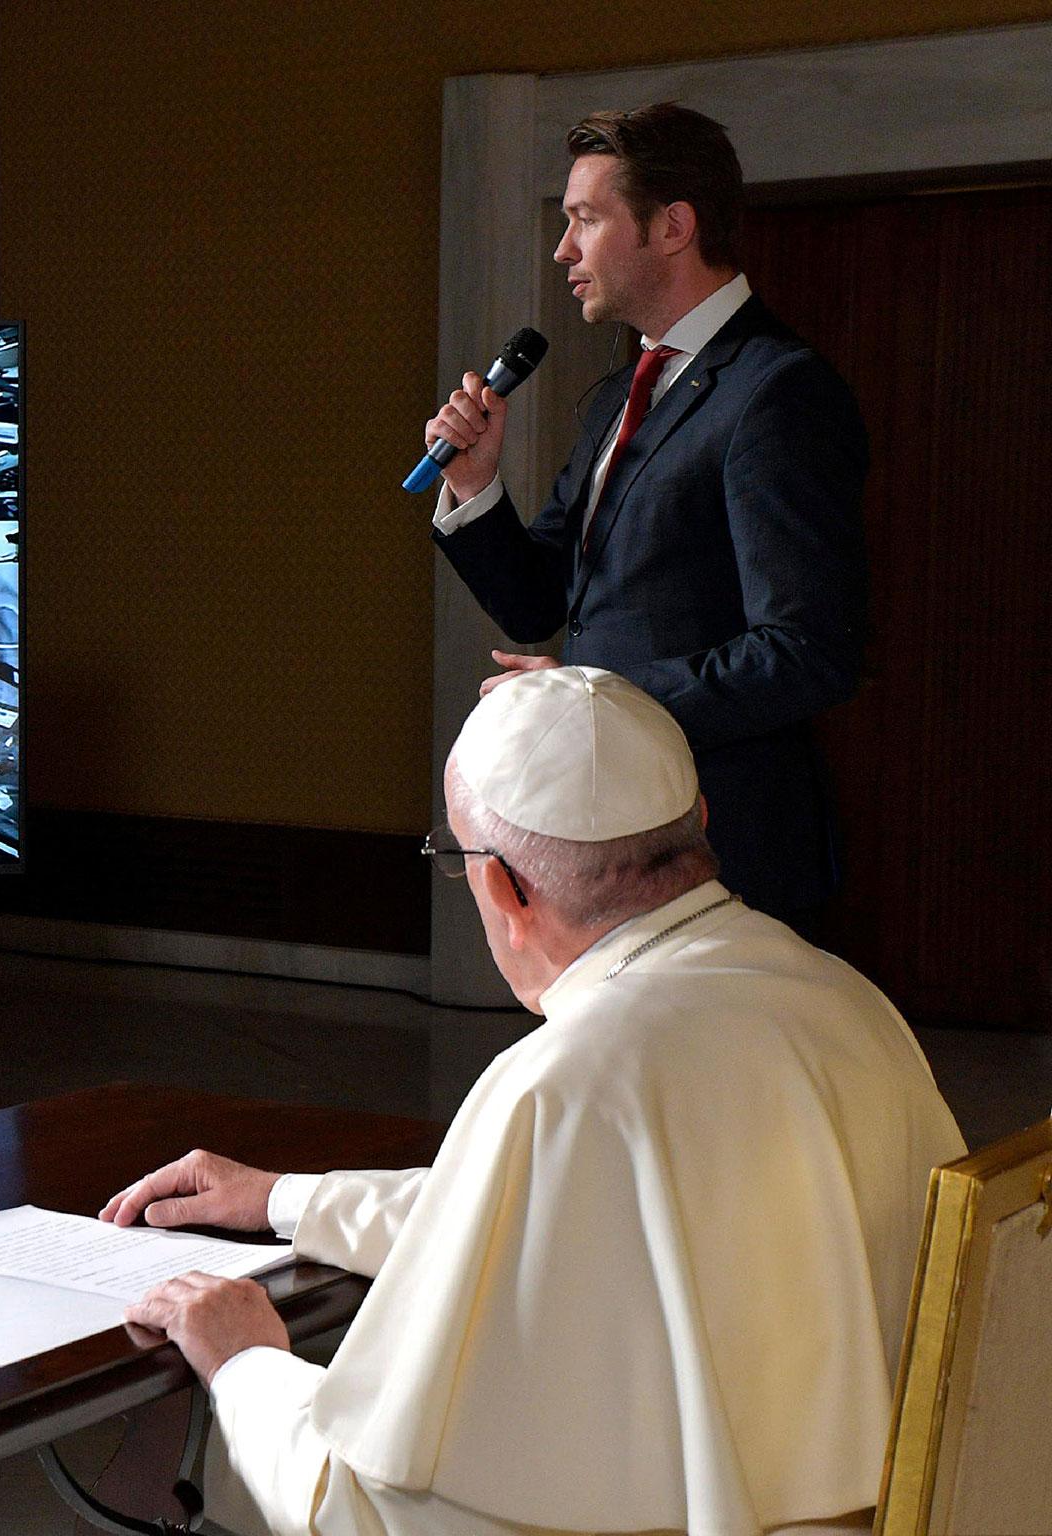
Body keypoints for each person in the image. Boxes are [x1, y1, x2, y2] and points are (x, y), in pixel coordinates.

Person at [104, 667, 964, 1536]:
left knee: (165, 1460)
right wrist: (289, 1199)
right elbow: (565, 1214)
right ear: (698, 823)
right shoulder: (846, 1000)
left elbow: (370, 1515)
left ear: (506, 887)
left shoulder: (562, 1080)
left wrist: (247, 1363)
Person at [423, 104, 867, 930]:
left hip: (725, 852)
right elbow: (538, 607)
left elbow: (809, 654)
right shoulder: (617, 396)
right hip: (610, 849)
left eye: (586, 219)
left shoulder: (776, 392)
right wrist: (478, 488)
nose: (563, 249)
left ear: (672, 227)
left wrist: (596, 696)